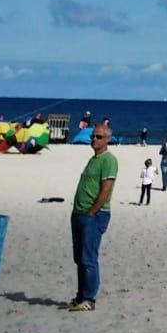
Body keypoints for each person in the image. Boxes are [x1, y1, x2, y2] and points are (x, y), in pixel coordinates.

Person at [66, 121, 117, 312]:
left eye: (99, 137)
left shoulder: (109, 160)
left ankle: (89, 299)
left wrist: (92, 211)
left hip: (93, 215)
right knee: (79, 258)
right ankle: (80, 296)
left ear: (107, 140)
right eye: (93, 136)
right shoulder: (93, 159)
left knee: (88, 258)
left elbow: (106, 189)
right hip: (79, 214)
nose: (94, 139)